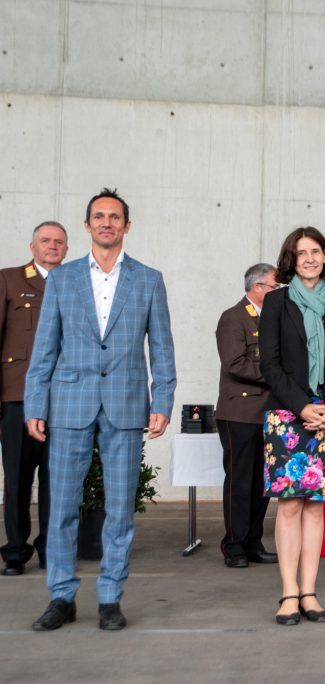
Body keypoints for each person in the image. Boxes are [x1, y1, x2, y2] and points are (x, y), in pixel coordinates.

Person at [24, 189, 176, 631]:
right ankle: (61, 596)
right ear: (87, 225)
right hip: (69, 403)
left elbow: (162, 347)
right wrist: (35, 402)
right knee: (61, 508)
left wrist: (162, 400)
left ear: (127, 225)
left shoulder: (148, 279)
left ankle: (110, 597)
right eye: (98, 216)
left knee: (120, 509)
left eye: (114, 217)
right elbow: (44, 348)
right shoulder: (63, 279)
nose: (106, 223)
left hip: (126, 406)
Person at [259, 227, 325, 625]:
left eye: (316, 251)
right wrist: (301, 406)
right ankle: (288, 593)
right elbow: (270, 363)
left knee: (315, 508)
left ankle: (310, 592)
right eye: (302, 253)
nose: (310, 258)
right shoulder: (276, 302)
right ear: (292, 260)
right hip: (287, 416)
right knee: (289, 506)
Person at [0, 221, 69, 576]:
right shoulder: (9, 279)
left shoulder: (76, 283)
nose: (52, 246)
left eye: (59, 241)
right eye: (45, 240)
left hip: (66, 398)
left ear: (67, 249)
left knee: (58, 481)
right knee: (17, 478)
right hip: (19, 397)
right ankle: (15, 551)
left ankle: (51, 549)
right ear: (32, 247)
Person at [215, 263, 280, 569]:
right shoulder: (233, 317)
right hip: (240, 413)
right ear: (257, 287)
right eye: (274, 287)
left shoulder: (274, 319)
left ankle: (253, 542)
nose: (278, 292)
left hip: (269, 412)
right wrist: (276, 374)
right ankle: (234, 545)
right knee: (240, 481)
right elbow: (235, 363)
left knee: (262, 484)